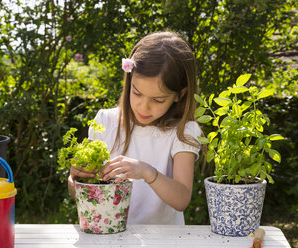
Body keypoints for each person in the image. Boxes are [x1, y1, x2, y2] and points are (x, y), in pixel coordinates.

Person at [68, 31, 203, 225]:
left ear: (179, 95)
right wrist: (75, 178)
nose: (143, 106)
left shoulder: (183, 131)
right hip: (109, 236)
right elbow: (79, 193)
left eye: (157, 100)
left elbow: (181, 199)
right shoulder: (106, 121)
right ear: (129, 81)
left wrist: (147, 172)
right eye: (137, 93)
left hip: (162, 241)